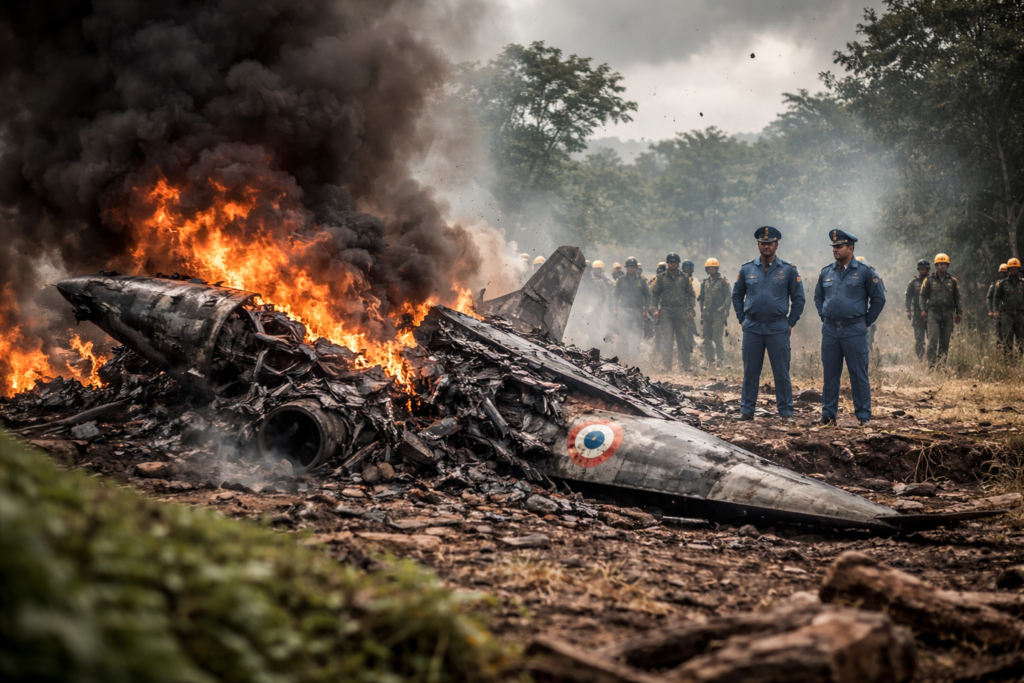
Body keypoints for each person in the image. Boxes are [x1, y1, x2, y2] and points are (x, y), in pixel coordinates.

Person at [732, 226, 805, 422]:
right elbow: (737, 295)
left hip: (778, 327)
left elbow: (799, 298)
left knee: (781, 372)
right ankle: (747, 411)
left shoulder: (788, 270)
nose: (766, 246)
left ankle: (786, 412)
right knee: (750, 371)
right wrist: (741, 318)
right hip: (752, 326)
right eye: (763, 243)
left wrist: (791, 322)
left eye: (770, 243)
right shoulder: (747, 269)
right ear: (758, 244)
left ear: (776, 245)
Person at [813, 230, 885, 426]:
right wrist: (824, 315)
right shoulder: (826, 272)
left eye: (839, 246)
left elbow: (879, 299)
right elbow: (818, 297)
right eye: (833, 246)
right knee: (830, 374)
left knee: (858, 374)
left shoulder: (865, 271)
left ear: (851, 248)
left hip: (854, 330)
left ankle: (863, 417)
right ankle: (828, 415)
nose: (835, 249)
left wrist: (866, 321)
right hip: (830, 331)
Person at [651, 253, 697, 372]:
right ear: (667, 263)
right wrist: (655, 309)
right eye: (671, 262)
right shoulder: (660, 278)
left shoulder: (685, 278)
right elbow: (655, 294)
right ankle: (667, 366)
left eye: (675, 262)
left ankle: (686, 365)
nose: (673, 264)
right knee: (667, 339)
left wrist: (690, 310)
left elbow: (691, 295)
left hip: (681, 311)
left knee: (683, 339)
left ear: (678, 263)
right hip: (666, 312)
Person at [919, 253, 962, 366]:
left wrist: (959, 312)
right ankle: (932, 367)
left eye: (944, 264)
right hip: (933, 313)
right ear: (936, 266)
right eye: (939, 264)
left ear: (947, 265)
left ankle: (941, 366)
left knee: (945, 342)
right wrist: (923, 310)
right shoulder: (929, 280)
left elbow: (957, 297)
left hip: (948, 313)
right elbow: (922, 296)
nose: (942, 266)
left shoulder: (953, 281)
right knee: (933, 340)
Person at [612, 257, 651, 366]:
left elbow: (648, 296)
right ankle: (624, 360)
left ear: (636, 268)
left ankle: (635, 360)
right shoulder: (620, 280)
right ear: (626, 268)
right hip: (624, 312)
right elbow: (615, 295)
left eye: (633, 267)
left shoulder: (642, 281)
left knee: (636, 337)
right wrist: (615, 307)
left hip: (637, 313)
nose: (631, 268)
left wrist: (646, 309)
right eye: (630, 266)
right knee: (623, 336)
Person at [698, 258, 730, 368]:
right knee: (706, 338)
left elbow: (728, 297)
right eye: (709, 268)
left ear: (717, 269)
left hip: (718, 314)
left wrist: (723, 309)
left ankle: (720, 360)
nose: (711, 270)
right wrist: (702, 309)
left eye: (713, 268)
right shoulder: (705, 283)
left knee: (717, 338)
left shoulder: (723, 282)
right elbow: (701, 298)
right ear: (706, 269)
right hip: (707, 314)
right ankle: (710, 359)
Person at [994, 258, 1024, 354]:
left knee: (1021, 341)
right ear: (1009, 269)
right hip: (1007, 314)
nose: (1014, 269)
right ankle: (1008, 361)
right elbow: (996, 298)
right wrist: (996, 311)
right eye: (1012, 268)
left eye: (1016, 268)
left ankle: (1021, 360)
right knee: (1007, 340)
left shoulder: (1023, 283)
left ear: (1019, 269)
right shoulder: (1002, 283)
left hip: (1020, 314)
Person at [905, 259, 930, 360]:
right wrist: (908, 310)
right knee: (919, 339)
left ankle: (932, 360)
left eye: (924, 269)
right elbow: (908, 296)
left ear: (928, 269)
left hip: (931, 313)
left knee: (932, 338)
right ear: (918, 270)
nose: (922, 270)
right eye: (921, 269)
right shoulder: (914, 283)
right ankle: (921, 360)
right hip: (917, 313)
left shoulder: (933, 281)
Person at [988, 263, 1009, 345]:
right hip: (999, 312)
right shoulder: (995, 285)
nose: (1003, 275)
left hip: (1010, 311)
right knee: (1000, 334)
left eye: (1005, 273)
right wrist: (991, 310)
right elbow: (989, 298)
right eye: (1001, 273)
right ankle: (1001, 349)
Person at [682, 260, 699, 352]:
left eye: (689, 269)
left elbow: (694, 295)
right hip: (680, 308)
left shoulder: (694, 282)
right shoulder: (679, 280)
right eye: (686, 269)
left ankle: (690, 346)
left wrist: (691, 309)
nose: (688, 271)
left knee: (690, 328)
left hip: (689, 308)